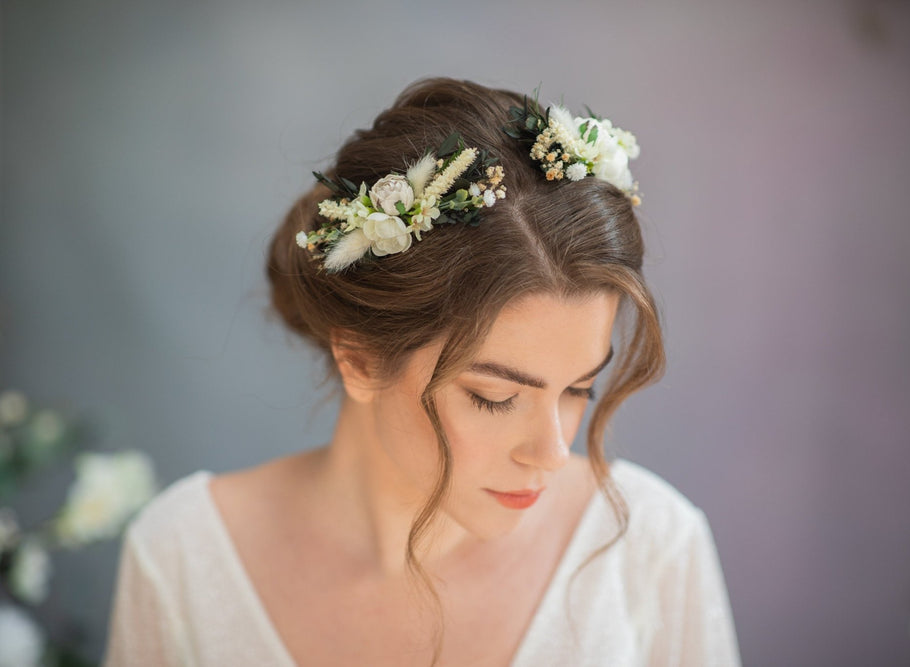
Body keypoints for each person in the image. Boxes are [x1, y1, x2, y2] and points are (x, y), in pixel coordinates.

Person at [102, 77, 742, 666]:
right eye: (494, 396)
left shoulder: (649, 546)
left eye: (579, 389)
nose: (552, 452)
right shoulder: (187, 558)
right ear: (357, 357)